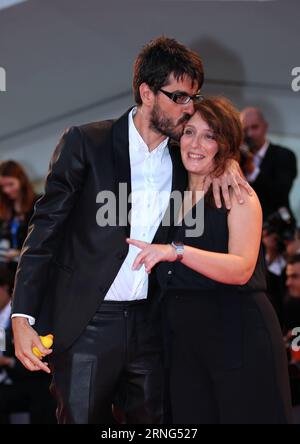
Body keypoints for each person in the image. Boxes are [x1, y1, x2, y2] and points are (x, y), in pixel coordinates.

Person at [11, 37, 250, 424]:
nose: (190, 109)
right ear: (147, 93)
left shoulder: (182, 154)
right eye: (179, 97)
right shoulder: (88, 143)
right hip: (87, 323)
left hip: (154, 323)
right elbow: (44, 233)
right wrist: (22, 318)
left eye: (194, 97)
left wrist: (229, 164)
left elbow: (214, 154)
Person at [128, 97, 293, 424]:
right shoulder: (171, 189)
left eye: (209, 135)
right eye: (189, 132)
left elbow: (242, 268)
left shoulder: (238, 194)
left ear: (226, 143)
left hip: (237, 333)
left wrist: (177, 251)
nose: (196, 144)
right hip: (182, 342)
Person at [240, 107, 297, 220]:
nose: (250, 134)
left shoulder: (284, 155)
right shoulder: (237, 158)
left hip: (276, 228)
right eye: (245, 130)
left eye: (255, 127)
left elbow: (281, 193)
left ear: (265, 126)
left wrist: (253, 170)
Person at [0, 160, 37, 274]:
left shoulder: (38, 205)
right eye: (2, 186)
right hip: (10, 273)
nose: (6, 190)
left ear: (22, 181)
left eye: (10, 184)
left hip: (34, 270)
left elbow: (43, 241)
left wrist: (18, 253)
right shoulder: (5, 210)